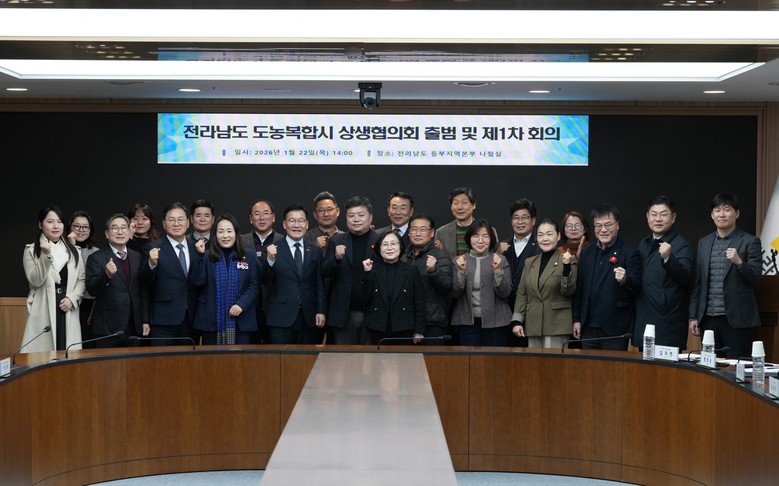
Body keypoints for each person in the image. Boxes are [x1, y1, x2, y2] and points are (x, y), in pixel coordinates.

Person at [689, 192, 762, 359]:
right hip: (708, 318)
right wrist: (693, 316)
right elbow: (698, 282)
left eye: (727, 210)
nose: (721, 214)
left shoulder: (750, 241)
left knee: (736, 366)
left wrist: (739, 262)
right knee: (709, 366)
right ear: (712, 215)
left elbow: (756, 278)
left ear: (737, 213)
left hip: (737, 320)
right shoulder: (704, 242)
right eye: (717, 210)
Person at [573, 204, 641, 351]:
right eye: (598, 226)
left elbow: (637, 285)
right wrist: (576, 319)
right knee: (588, 365)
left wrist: (625, 279)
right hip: (588, 326)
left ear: (617, 225)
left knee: (613, 366)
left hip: (615, 327)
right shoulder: (586, 252)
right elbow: (580, 288)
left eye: (608, 225)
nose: (603, 230)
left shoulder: (629, 252)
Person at [21, 205, 85, 352]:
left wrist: (72, 299)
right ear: (40, 225)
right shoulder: (31, 250)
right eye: (50, 221)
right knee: (42, 356)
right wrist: (46, 256)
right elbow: (35, 280)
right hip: (43, 308)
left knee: (68, 352)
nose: (56, 226)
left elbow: (81, 280)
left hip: (67, 307)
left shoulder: (74, 251)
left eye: (59, 221)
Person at [634, 196, 694, 350]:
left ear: (673, 217)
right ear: (647, 216)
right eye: (654, 214)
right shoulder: (643, 243)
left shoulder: (681, 245)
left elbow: (686, 278)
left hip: (668, 323)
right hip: (644, 321)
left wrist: (668, 258)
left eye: (663, 214)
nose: (658, 219)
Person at [190, 214, 260, 345]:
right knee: (212, 357)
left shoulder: (248, 255)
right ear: (215, 235)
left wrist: (241, 304)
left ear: (236, 233)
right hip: (211, 319)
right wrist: (199, 256)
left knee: (241, 357)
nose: (225, 235)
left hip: (241, 319)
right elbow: (197, 282)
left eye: (229, 231)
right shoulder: (206, 256)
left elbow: (254, 285)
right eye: (221, 231)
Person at [264, 204, 327, 344]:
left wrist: (321, 311)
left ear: (307, 224)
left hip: (309, 317)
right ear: (284, 224)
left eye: (301, 221)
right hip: (280, 317)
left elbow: (319, 283)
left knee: (306, 356)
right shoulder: (272, 249)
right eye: (292, 221)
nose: (297, 225)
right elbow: (263, 279)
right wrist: (270, 260)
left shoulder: (315, 250)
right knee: (280, 357)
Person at [321, 196, 380, 345]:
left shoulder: (381, 241)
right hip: (343, 315)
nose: (356, 219)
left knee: (371, 357)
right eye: (351, 216)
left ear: (370, 217)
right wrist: (336, 258)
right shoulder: (336, 240)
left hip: (373, 312)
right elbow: (325, 271)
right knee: (343, 356)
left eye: (361, 215)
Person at [511, 219, 577, 349]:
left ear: (558, 236)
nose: (545, 238)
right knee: (534, 362)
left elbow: (568, 291)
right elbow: (522, 293)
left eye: (549, 234)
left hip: (556, 325)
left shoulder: (568, 260)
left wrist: (566, 267)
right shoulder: (530, 262)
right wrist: (517, 320)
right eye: (540, 235)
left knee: (554, 362)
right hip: (533, 324)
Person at [85, 214, 149, 347]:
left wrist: (145, 320)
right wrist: (106, 275)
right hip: (107, 328)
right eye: (115, 228)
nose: (120, 232)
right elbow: (91, 290)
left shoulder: (137, 257)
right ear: (107, 234)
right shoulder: (96, 258)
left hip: (133, 327)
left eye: (124, 228)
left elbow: (142, 291)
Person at [140, 202, 199, 346]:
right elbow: (143, 282)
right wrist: (151, 263)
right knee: (162, 359)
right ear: (164, 224)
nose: (176, 224)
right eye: (171, 220)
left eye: (180, 219)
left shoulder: (196, 248)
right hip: (163, 320)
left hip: (191, 318)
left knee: (189, 359)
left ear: (188, 223)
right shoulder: (152, 248)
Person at [451, 219, 512, 346]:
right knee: (470, 359)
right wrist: (461, 272)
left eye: (485, 236)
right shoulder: (459, 260)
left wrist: (497, 270)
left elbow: (505, 293)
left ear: (491, 239)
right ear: (469, 238)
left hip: (496, 322)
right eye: (475, 236)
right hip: (467, 323)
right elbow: (455, 293)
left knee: (494, 358)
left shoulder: (501, 260)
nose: (480, 241)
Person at [361, 230, 426, 345]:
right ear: (379, 249)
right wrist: (366, 274)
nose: (389, 248)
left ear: (400, 247)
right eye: (385, 244)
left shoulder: (411, 270)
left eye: (393, 244)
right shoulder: (372, 269)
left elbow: (419, 302)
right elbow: (364, 298)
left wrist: (419, 330)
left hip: (404, 328)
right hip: (377, 329)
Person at [241, 199, 285, 344]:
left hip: (275, 308)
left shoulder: (284, 241)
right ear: (251, 219)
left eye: (266, 213)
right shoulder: (240, 242)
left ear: (273, 217)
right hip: (247, 308)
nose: (261, 218)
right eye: (257, 214)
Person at [405, 214, 453, 341]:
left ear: (432, 233)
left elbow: (447, 287)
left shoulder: (440, 256)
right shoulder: (403, 256)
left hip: (433, 321)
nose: (417, 233)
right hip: (407, 321)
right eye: (414, 229)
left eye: (422, 230)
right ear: (409, 232)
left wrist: (434, 271)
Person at [500, 199, 540, 346]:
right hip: (504, 313)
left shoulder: (540, 247)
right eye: (516, 218)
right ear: (511, 221)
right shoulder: (502, 247)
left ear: (533, 221)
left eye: (525, 217)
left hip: (530, 313)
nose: (520, 222)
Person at [67, 210, 99, 348]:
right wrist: (72, 247)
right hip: (68, 303)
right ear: (70, 227)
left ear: (90, 230)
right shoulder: (62, 250)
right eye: (77, 226)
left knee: (88, 346)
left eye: (85, 227)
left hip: (89, 307)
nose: (81, 230)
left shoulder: (97, 252)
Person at [435, 187, 478, 260]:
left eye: (464, 203)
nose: (459, 207)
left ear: (474, 205)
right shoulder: (441, 233)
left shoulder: (487, 231)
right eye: (456, 203)